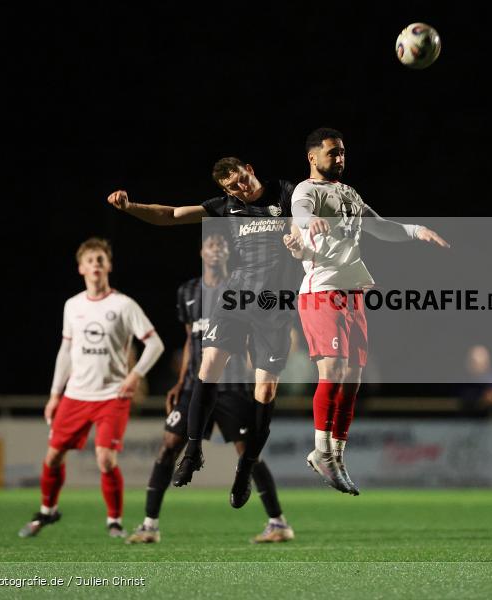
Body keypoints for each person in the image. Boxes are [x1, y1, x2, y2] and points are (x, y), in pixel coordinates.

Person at [107, 157, 298, 508]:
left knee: (266, 391)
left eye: (240, 180)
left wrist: (306, 238)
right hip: (237, 297)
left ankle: (245, 470)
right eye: (230, 188)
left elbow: (315, 213)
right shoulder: (226, 207)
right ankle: (193, 450)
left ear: (250, 168)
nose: (239, 189)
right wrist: (130, 207)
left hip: (274, 306)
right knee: (206, 367)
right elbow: (172, 214)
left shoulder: (284, 194)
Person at [284, 127, 450, 495]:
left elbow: (379, 227)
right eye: (332, 153)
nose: (340, 158)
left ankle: (336, 456)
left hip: (353, 294)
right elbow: (299, 214)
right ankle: (321, 451)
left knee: (353, 379)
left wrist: (414, 230)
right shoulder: (306, 190)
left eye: (342, 152)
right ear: (313, 157)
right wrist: (310, 223)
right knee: (334, 370)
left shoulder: (349, 193)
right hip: (321, 291)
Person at [125, 232, 294, 544]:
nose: (216, 249)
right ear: (201, 250)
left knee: (249, 455)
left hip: (232, 387)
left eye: (222, 245)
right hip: (195, 386)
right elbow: (192, 338)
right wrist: (179, 382)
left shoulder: (244, 289)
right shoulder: (188, 292)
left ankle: (278, 522)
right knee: (168, 446)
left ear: (229, 253)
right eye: (210, 244)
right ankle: (149, 525)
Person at [19, 238, 165, 539]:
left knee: (105, 459)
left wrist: (134, 375)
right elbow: (65, 351)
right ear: (81, 268)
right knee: (53, 457)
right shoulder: (72, 306)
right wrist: (54, 395)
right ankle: (48, 511)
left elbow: (155, 344)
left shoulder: (124, 305)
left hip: (112, 395)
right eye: (90, 260)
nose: (96, 264)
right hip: (75, 395)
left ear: (108, 266)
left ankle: (114, 521)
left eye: (101, 259)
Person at [460, 344, 492, 417]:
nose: (479, 367)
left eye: (483, 363)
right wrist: (482, 399)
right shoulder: (462, 380)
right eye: (475, 363)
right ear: (469, 363)